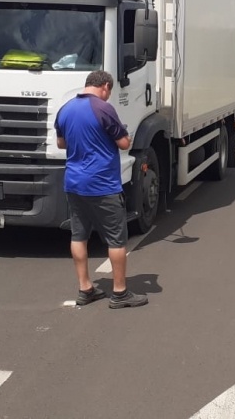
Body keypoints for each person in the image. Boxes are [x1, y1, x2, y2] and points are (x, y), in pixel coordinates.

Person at [55, 70, 148, 309]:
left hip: (74, 183)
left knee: (79, 235)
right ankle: (119, 293)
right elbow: (124, 143)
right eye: (110, 91)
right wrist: (122, 133)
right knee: (116, 239)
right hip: (103, 184)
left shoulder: (65, 109)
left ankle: (85, 288)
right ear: (105, 86)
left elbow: (61, 143)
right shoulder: (103, 109)